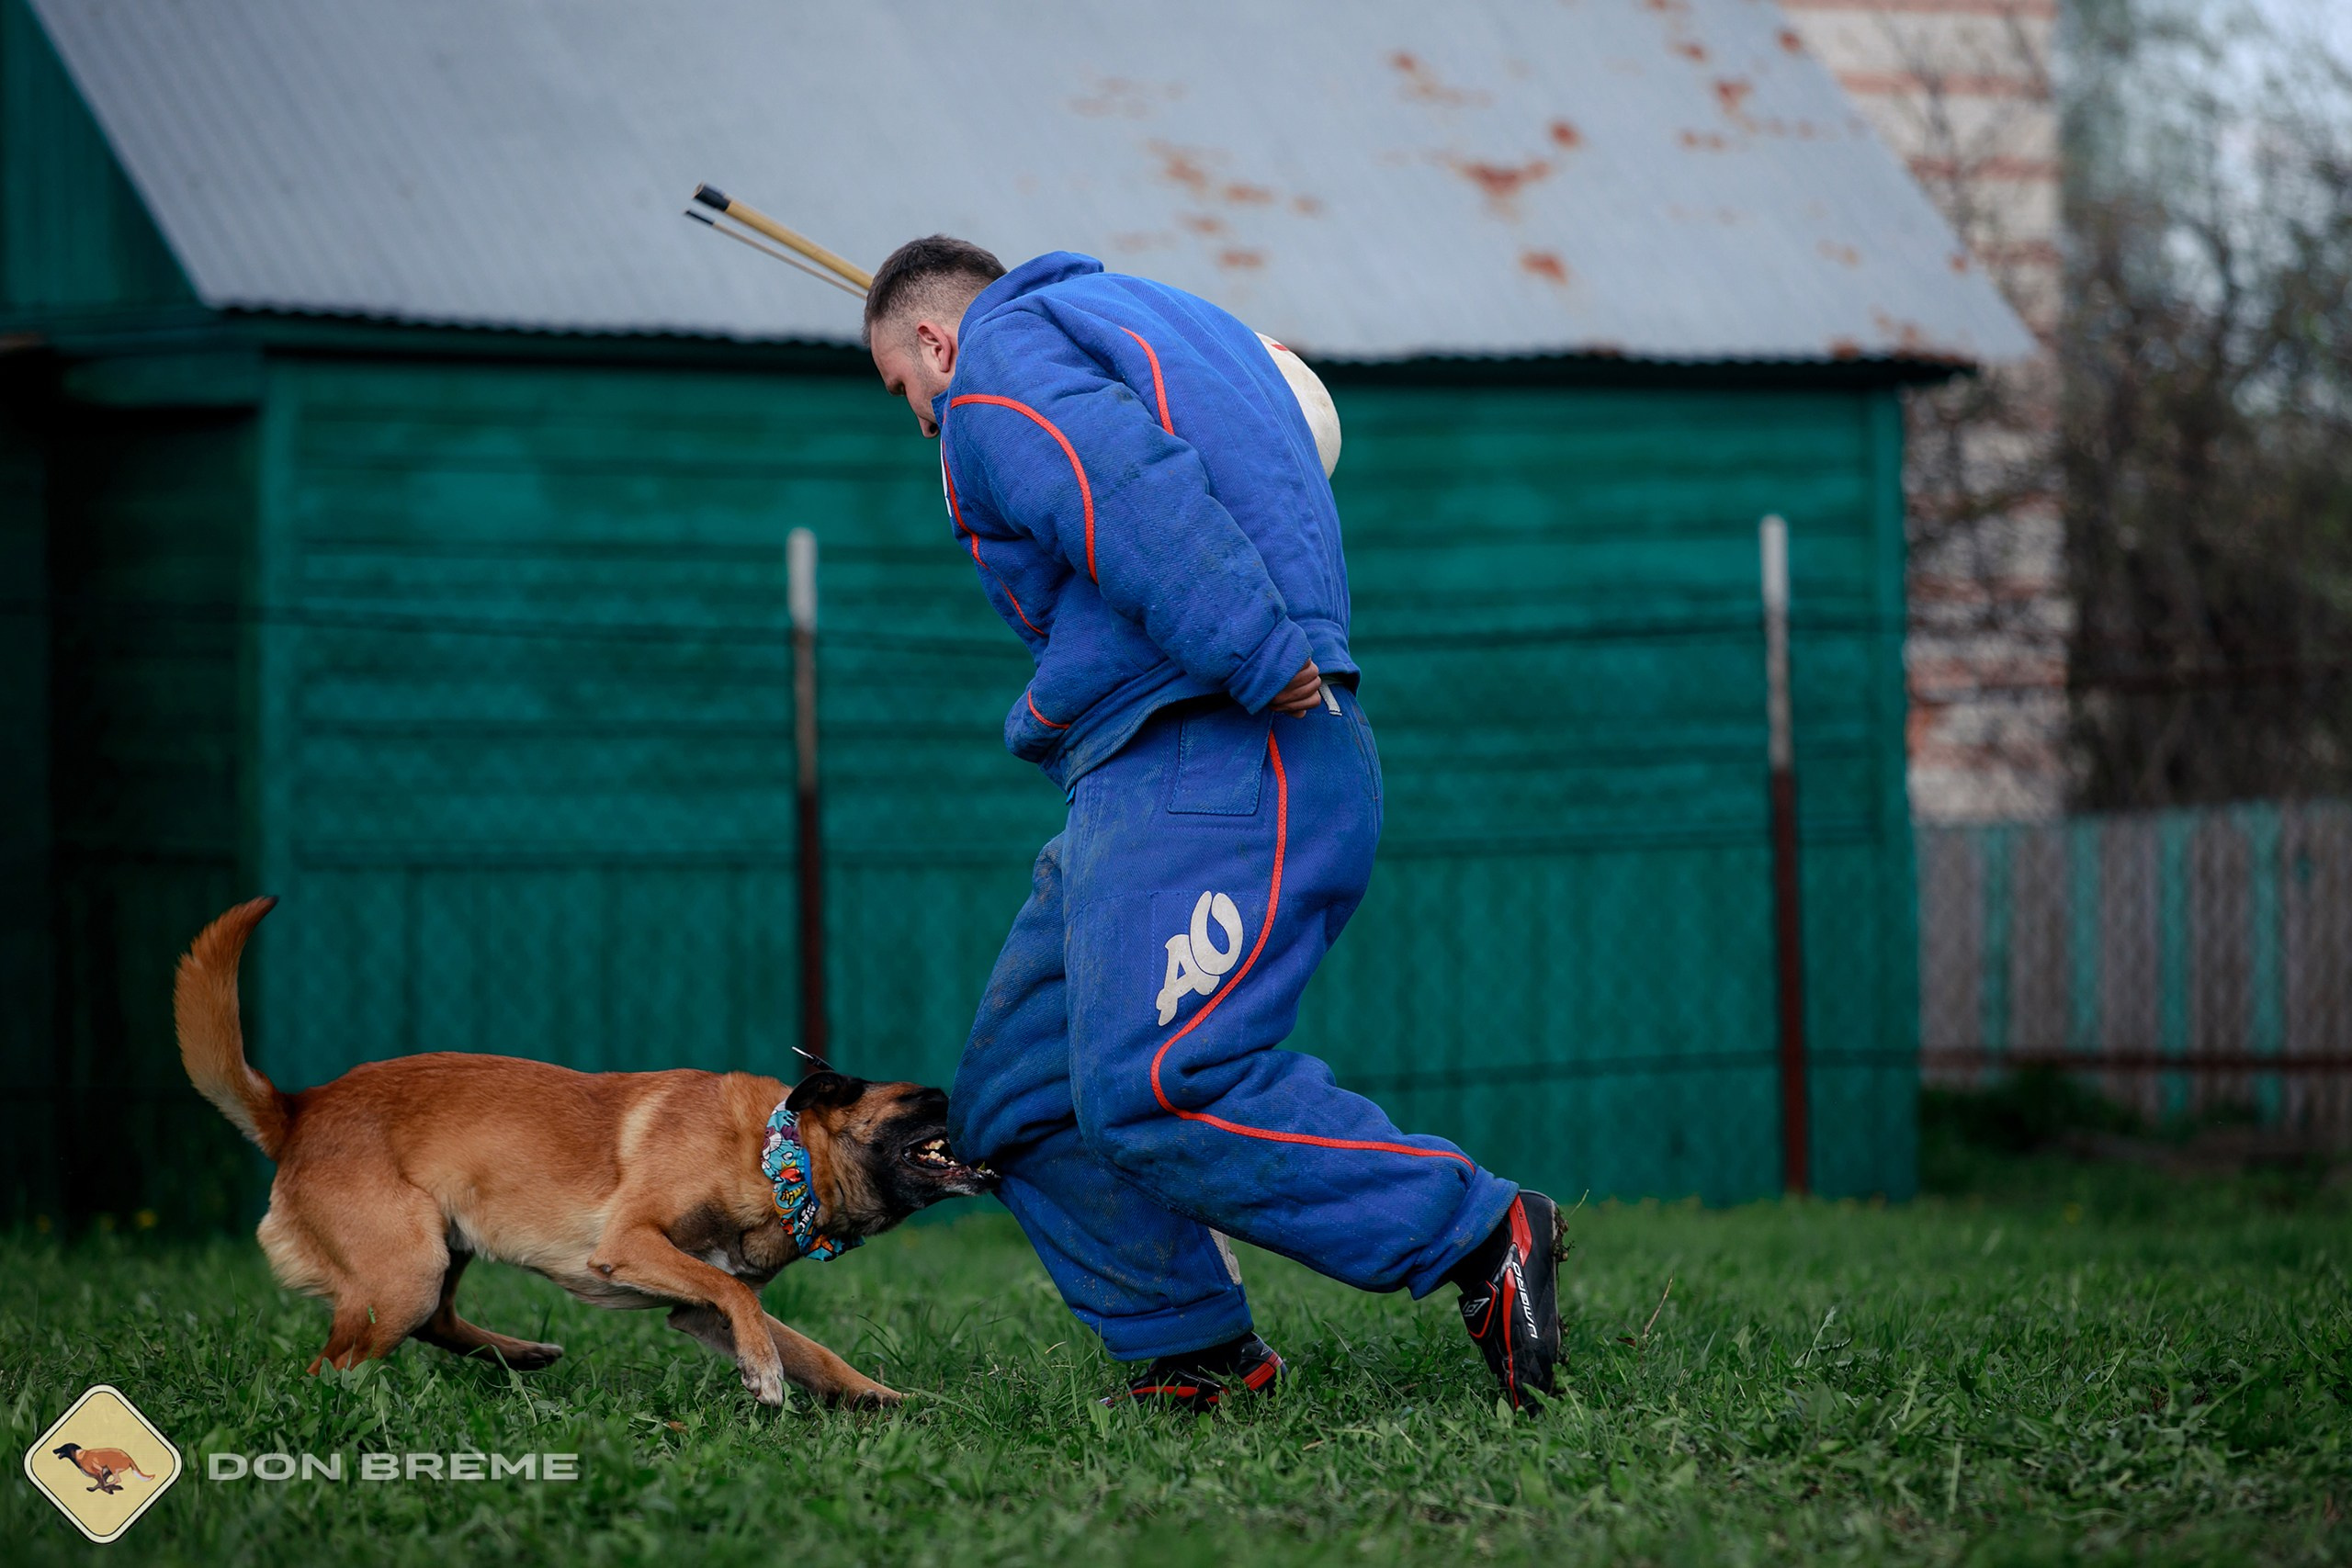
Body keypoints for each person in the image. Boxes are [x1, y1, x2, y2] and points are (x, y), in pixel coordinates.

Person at [865, 235, 1563, 1412]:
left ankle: (1477, 1233)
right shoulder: (1159, 323)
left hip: (1215, 739)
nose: (922, 424)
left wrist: (1251, 640)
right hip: (1129, 770)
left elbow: (1114, 480)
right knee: (1017, 1100)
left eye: (905, 391)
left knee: (1160, 1080)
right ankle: (1194, 1352)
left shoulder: (992, 365)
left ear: (934, 339)